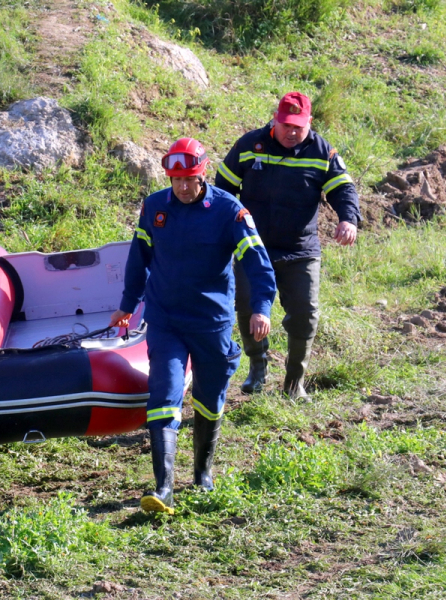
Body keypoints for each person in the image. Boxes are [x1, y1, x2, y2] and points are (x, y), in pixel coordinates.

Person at [109, 138, 276, 514]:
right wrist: (125, 304)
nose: (184, 187)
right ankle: (163, 488)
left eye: (191, 179)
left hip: (211, 322)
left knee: (209, 398)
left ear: (203, 174)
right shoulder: (154, 208)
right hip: (166, 319)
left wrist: (261, 308)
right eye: (177, 180)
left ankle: (202, 474)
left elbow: (258, 263)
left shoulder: (228, 211)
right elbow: (139, 259)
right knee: (164, 393)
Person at [215, 92, 360, 400]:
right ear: (275, 120)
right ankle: (258, 366)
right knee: (248, 308)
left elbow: (343, 188)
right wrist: (220, 230)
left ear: (309, 122)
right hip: (254, 248)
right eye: (286, 125)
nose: (291, 132)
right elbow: (223, 189)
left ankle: (295, 382)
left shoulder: (322, 152)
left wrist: (348, 219)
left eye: (298, 126)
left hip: (300, 250)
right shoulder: (249, 146)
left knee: (305, 313)